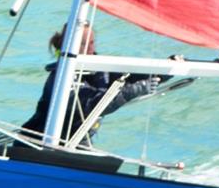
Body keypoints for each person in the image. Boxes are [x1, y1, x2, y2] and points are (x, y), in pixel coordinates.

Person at [21, 23, 170, 144]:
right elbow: (92, 104)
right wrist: (135, 90)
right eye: (82, 44)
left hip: (77, 142)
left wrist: (168, 67)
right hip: (40, 144)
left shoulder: (100, 69)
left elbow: (131, 76)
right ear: (68, 45)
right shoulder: (61, 78)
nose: (90, 49)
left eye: (91, 42)